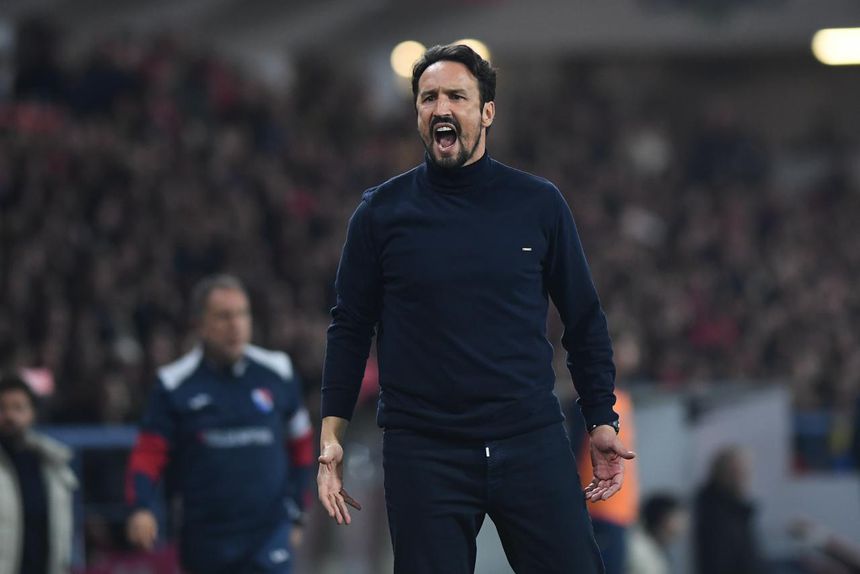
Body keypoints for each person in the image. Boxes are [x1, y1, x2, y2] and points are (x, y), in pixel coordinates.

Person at [317, 44, 635, 574]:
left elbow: (584, 319)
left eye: (456, 97)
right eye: (428, 98)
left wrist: (601, 418)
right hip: (424, 450)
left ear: (486, 112)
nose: (441, 108)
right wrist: (332, 437)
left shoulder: (539, 204)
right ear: (418, 113)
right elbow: (348, 328)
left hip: (529, 436)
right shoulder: (380, 214)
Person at [125, 274, 313, 574]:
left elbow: (302, 445)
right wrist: (141, 508)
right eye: (224, 316)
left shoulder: (278, 372)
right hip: (205, 540)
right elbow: (148, 454)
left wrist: (298, 513)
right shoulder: (174, 384)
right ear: (200, 323)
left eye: (242, 314)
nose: (235, 325)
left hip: (269, 536)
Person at [0, 373, 77, 574]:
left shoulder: (52, 465)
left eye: (18, 408)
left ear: (32, 413)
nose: (9, 416)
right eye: (2, 408)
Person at [573, 389, 640, 574]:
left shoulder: (622, 399)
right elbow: (573, 449)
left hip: (621, 509)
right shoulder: (590, 400)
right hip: (599, 505)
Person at [694, 445, 765, 574]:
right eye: (740, 472)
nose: (746, 478)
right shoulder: (715, 514)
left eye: (747, 472)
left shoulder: (735, 509)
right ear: (723, 473)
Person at [627, 494, 687, 574]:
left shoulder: (656, 550)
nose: (680, 527)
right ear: (662, 519)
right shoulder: (638, 549)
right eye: (676, 519)